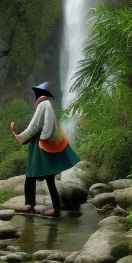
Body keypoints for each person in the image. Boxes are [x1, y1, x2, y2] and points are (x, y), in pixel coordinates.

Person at [10, 82, 80, 217]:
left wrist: (21, 137)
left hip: (40, 144)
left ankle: (31, 204)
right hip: (44, 142)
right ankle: (53, 207)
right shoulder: (48, 105)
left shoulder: (43, 105)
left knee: (32, 173)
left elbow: (35, 126)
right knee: (48, 176)